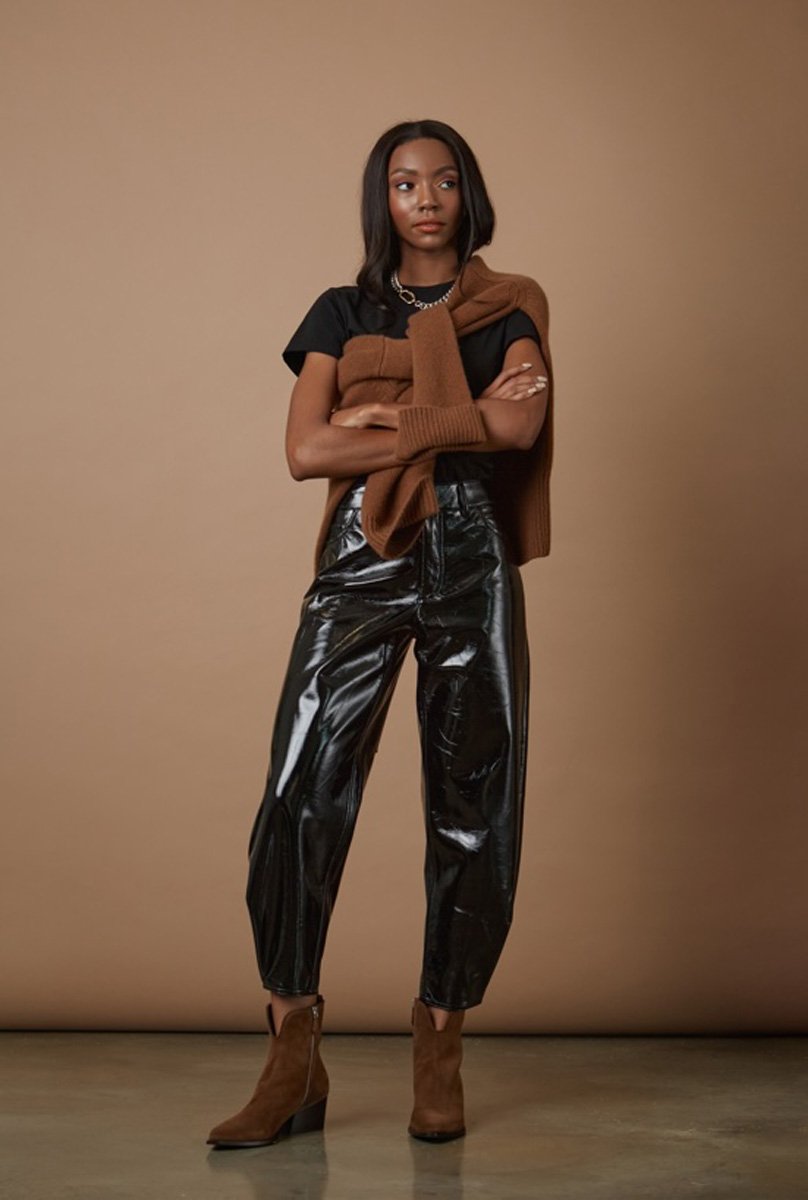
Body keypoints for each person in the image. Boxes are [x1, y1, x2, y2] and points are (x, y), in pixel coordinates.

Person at [207, 118, 553, 1150]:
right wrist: (458, 417)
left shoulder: (509, 304)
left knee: (472, 805)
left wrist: (384, 421)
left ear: (468, 192)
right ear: (384, 200)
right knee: (300, 791)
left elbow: (522, 428)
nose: (428, 199)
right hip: (361, 561)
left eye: (445, 180)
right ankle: (292, 1052)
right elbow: (306, 452)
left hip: (469, 555)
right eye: (406, 183)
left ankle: (440, 1044)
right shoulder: (341, 308)